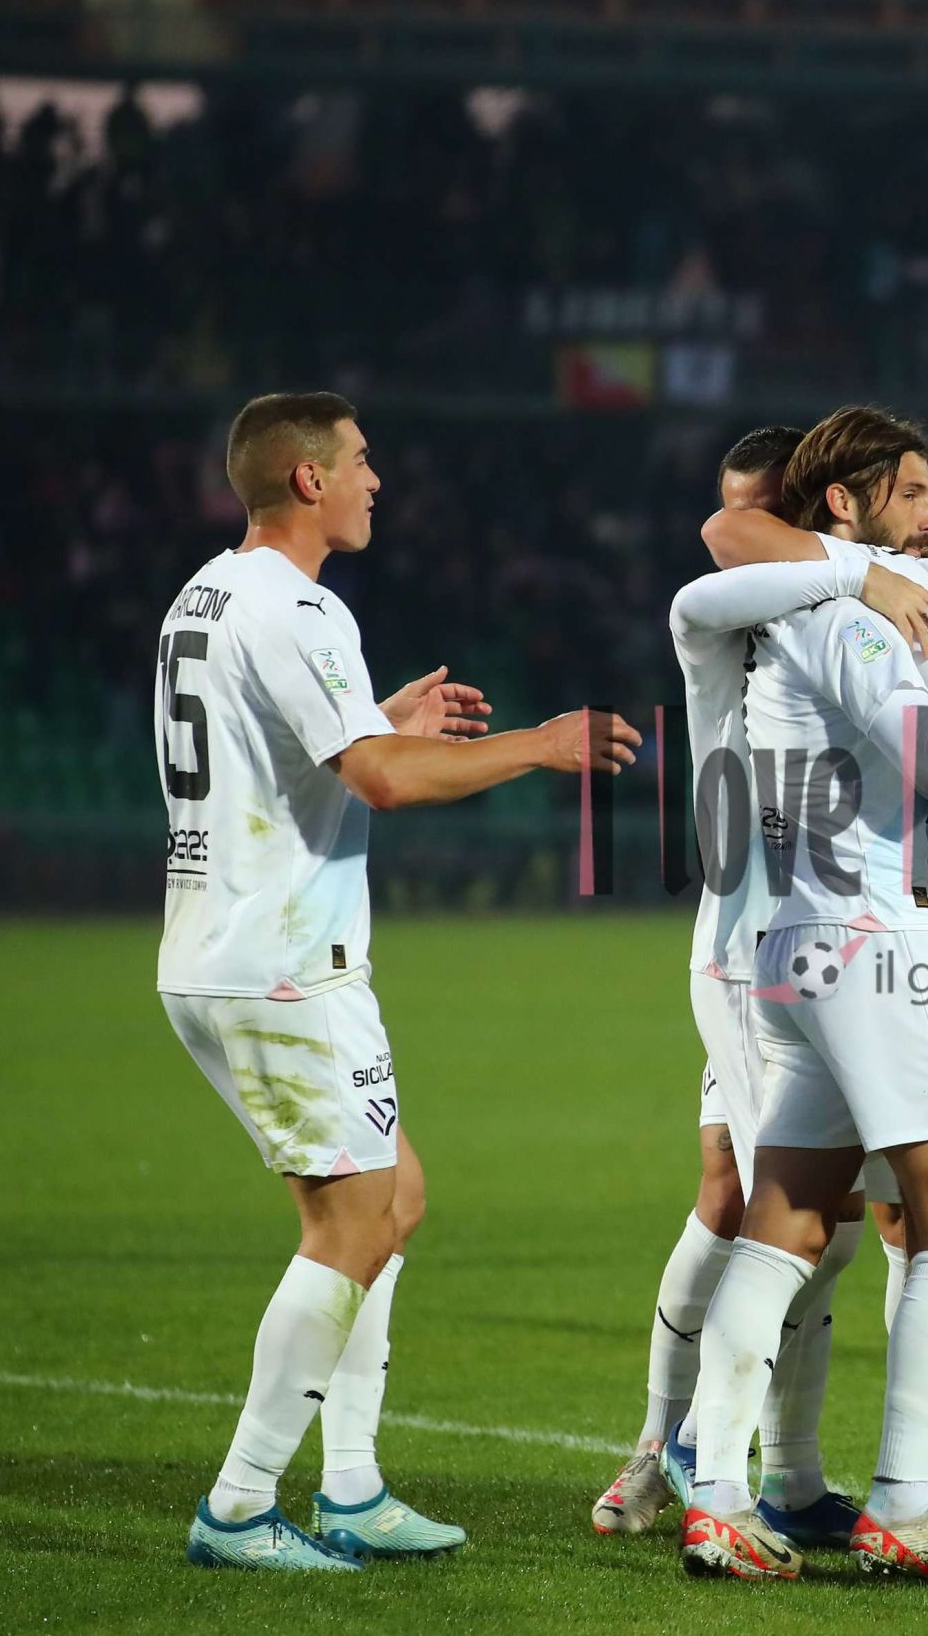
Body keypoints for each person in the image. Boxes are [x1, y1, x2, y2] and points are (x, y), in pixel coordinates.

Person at [164, 392, 639, 1570]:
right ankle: (238, 1503)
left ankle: (358, 1487)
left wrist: (376, 716)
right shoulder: (302, 605)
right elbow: (377, 782)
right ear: (310, 480)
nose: (379, 480)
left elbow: (297, 758)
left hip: (226, 950)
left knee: (392, 1203)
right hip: (282, 966)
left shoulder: (207, 594)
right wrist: (537, 745)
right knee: (350, 1223)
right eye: (364, 462)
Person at [674, 406, 928, 1588]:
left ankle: (719, 1497)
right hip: (878, 944)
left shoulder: (811, 608)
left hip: (794, 947)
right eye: (912, 492)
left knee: (788, 1220)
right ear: (845, 505)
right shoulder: (845, 615)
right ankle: (899, 1505)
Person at [593, 423, 926, 1548]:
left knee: (796, 1213)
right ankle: (672, 1452)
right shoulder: (736, 621)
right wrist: (860, 569)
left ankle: (784, 1473)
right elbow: (716, 547)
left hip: (821, 943)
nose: (748, 553)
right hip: (749, 950)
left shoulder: (830, 621)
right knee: (766, 1207)